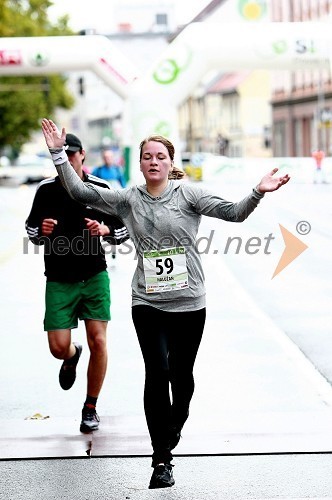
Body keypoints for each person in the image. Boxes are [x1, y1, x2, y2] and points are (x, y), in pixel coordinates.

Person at [41, 118, 290, 489]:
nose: (153, 161)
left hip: (190, 302)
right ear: (140, 164)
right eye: (147, 157)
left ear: (169, 162)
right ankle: (161, 460)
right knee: (156, 374)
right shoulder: (128, 199)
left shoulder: (188, 195)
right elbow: (80, 193)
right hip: (148, 302)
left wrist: (258, 191)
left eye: (160, 156)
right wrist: (59, 154)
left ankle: (177, 420)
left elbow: (235, 213)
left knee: (182, 379)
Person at [25, 132, 129, 434]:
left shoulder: (99, 188)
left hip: (94, 274)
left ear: (83, 154)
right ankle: (72, 356)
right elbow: (31, 231)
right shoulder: (45, 190)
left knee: (99, 340)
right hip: (58, 278)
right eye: (62, 154)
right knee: (58, 347)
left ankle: (90, 407)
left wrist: (104, 230)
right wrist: (41, 231)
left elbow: (122, 233)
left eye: (72, 154)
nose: (68, 159)